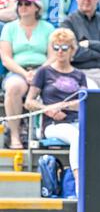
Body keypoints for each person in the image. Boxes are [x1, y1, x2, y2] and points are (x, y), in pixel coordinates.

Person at [24, 28, 87, 194]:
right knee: (77, 136)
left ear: (72, 50)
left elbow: (84, 102)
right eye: (56, 47)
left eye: (65, 47)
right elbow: (29, 102)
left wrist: (65, 105)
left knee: (83, 134)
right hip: (53, 124)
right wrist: (48, 109)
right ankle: (79, 182)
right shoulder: (44, 72)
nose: (60, 51)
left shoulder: (79, 75)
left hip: (76, 121)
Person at [0, 0, 55, 149]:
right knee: (13, 87)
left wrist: (39, 72)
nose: (23, 7)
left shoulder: (48, 28)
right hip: (19, 71)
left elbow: (52, 56)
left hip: (44, 71)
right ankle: (14, 135)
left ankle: (48, 133)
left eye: (27, 4)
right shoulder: (9, 28)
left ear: (36, 7)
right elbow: (6, 58)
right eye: (20, 4)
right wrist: (26, 74)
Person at [61, 0, 100, 88]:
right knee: (90, 89)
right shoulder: (68, 23)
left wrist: (89, 44)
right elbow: (73, 53)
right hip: (82, 72)